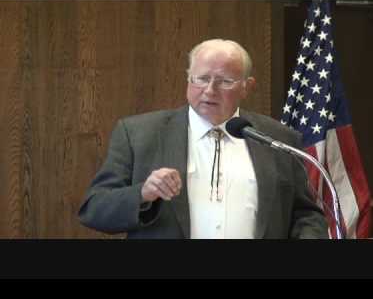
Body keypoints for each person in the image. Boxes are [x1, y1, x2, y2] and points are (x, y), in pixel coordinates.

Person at [78, 38, 329, 239]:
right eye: (201, 79)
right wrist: (142, 193)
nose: (209, 90)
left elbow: (306, 214)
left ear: (247, 87)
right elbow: (94, 209)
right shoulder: (138, 134)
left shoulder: (278, 139)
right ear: (188, 79)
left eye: (225, 81)